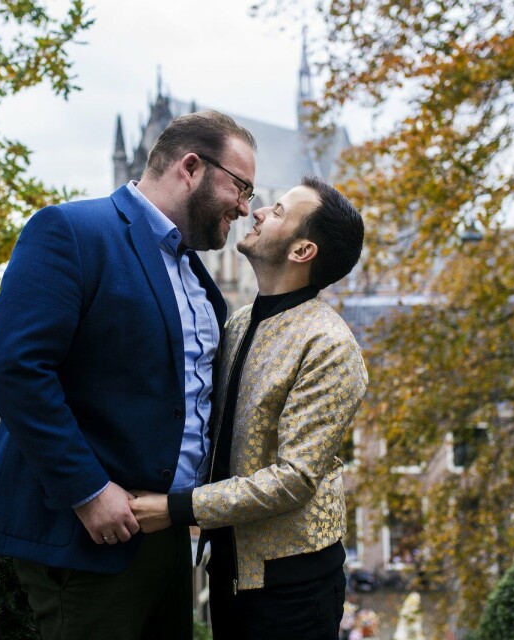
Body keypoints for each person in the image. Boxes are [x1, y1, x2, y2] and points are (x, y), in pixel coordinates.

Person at [0, 110, 257, 639]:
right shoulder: (71, 230)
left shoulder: (195, 271)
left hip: (167, 538)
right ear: (191, 167)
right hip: (88, 542)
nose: (245, 208)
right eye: (240, 187)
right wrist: (87, 491)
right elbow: (14, 368)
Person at [132, 176, 368, 640]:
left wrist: (177, 508)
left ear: (302, 251)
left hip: (292, 585)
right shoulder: (238, 322)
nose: (257, 212)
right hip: (229, 568)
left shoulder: (330, 344)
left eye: (278, 211)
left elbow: (295, 478)